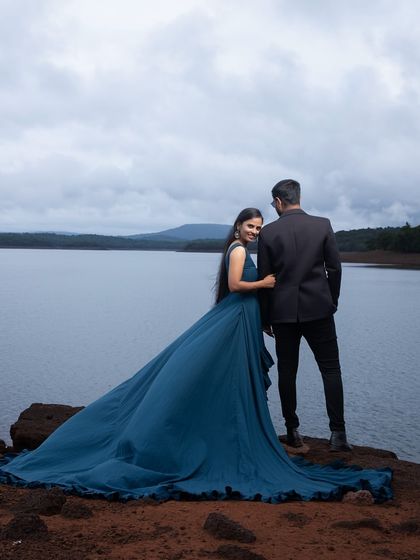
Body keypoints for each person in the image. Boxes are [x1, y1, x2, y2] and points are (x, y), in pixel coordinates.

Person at [0, 208, 391, 503]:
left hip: (246, 318)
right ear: (238, 227)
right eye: (250, 226)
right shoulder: (239, 250)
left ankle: (271, 429)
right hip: (240, 315)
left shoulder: (243, 245)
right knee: (232, 375)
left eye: (258, 227)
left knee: (234, 378)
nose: (255, 232)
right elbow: (238, 285)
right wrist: (267, 282)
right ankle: (279, 432)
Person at [258, 179, 351, 452]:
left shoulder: (268, 233)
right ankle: (338, 435)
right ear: (297, 197)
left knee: (288, 371)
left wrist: (265, 318)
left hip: (283, 313)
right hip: (320, 309)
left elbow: (266, 278)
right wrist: (331, 301)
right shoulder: (322, 225)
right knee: (331, 369)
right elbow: (334, 269)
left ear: (278, 201)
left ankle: (292, 430)